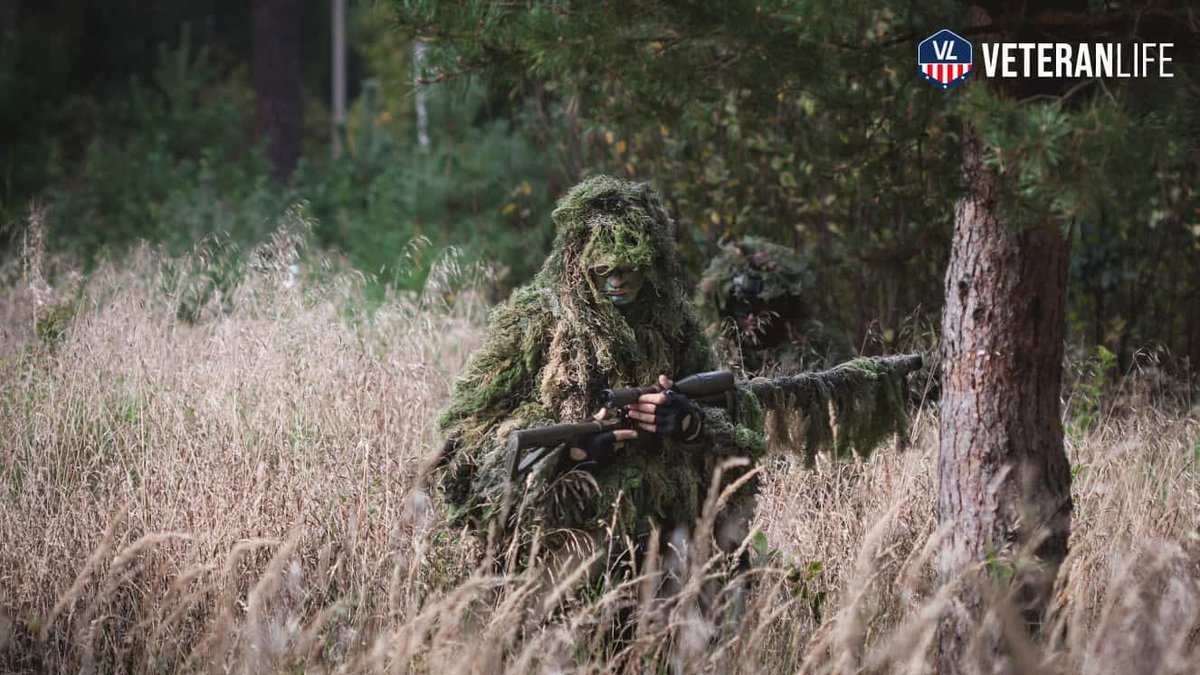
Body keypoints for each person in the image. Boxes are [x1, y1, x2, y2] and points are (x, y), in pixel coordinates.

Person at [434, 175, 765, 584]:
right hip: (564, 553)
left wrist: (689, 424)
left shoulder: (675, 327)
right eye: (602, 268)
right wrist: (572, 453)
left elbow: (736, 432)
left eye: (628, 267)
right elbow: (466, 444)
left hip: (667, 547)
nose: (616, 280)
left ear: (651, 262)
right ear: (578, 262)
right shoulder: (534, 324)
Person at [696, 237, 854, 375]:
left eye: (759, 309)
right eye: (744, 310)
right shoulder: (718, 348)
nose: (751, 318)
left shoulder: (801, 347)